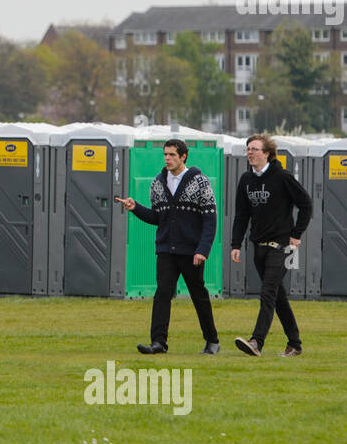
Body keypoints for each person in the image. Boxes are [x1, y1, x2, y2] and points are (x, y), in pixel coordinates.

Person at [114, 138, 220, 355]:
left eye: (172, 154)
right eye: (165, 154)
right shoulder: (157, 182)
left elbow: (210, 218)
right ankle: (158, 343)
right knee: (162, 294)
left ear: (183, 156)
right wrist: (135, 208)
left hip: (191, 251)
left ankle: (212, 341)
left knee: (198, 295)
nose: (167, 158)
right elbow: (158, 217)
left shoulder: (200, 182)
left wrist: (203, 249)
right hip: (165, 250)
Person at [230, 134, 313, 358]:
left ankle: (256, 341)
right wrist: (235, 244)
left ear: (267, 153)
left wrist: (296, 235)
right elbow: (241, 214)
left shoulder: (282, 176)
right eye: (248, 148)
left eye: (255, 149)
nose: (250, 152)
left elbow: (306, 204)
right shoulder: (246, 180)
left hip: (284, 247)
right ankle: (294, 344)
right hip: (259, 247)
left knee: (267, 292)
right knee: (278, 296)